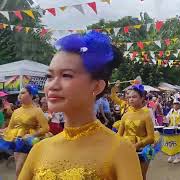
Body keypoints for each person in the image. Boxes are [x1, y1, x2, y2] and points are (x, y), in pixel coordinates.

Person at [19, 31, 142, 179]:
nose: (52, 85)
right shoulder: (39, 150)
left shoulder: (120, 150)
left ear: (96, 87)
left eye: (66, 75)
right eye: (49, 76)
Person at [0, 84, 49, 178]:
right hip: (19, 141)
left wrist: (32, 135)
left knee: (25, 168)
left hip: (32, 142)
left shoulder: (37, 111)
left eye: (23, 93)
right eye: (19, 93)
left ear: (31, 95)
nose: (19, 95)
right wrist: (2, 131)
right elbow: (10, 128)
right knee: (19, 168)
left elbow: (46, 128)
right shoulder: (16, 111)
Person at [117, 84, 155, 180]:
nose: (131, 99)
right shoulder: (125, 115)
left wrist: (137, 145)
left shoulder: (146, 115)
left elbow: (151, 138)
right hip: (127, 149)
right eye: (129, 97)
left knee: (141, 176)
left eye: (134, 97)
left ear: (142, 98)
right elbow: (118, 136)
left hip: (143, 150)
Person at [164, 99, 180, 164]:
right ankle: (171, 156)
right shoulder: (171, 111)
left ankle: (178, 157)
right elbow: (167, 118)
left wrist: (179, 124)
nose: (175, 105)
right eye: (174, 104)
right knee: (170, 142)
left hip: (178, 130)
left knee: (177, 143)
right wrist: (165, 119)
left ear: (179, 105)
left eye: (177, 104)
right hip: (171, 129)